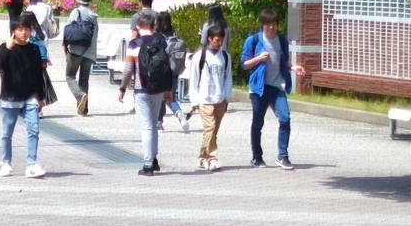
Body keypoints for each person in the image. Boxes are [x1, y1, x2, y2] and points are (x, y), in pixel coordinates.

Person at [242, 9, 303, 170]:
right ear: (262, 24)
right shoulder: (253, 40)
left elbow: (283, 62)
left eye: (274, 24)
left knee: (285, 118)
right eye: (268, 24)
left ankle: (283, 156)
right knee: (257, 123)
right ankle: (257, 157)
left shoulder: (281, 41)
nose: (271, 27)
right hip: (259, 88)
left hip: (277, 87)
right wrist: (258, 58)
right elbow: (244, 64)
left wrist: (293, 67)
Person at [0, 13, 47, 179]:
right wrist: (8, 48)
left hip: (30, 95)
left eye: (26, 29)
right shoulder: (6, 47)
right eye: (20, 29)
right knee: (7, 133)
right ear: (13, 31)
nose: (24, 32)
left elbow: (39, 75)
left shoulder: (34, 49)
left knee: (34, 129)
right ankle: (6, 163)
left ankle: (31, 164)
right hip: (10, 96)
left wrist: (41, 97)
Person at [124, 12, 176, 176]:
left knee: (146, 126)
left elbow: (128, 70)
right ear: (153, 27)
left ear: (138, 27)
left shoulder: (134, 44)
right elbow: (168, 66)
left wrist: (122, 88)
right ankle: (154, 159)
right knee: (153, 123)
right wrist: (168, 89)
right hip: (159, 89)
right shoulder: (161, 41)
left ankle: (148, 165)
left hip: (142, 89)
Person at [185, 24, 233, 172]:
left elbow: (228, 78)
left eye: (221, 40)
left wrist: (226, 97)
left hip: (220, 99)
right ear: (209, 39)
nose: (219, 43)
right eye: (217, 40)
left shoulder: (225, 56)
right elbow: (194, 79)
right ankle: (212, 159)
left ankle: (202, 158)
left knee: (211, 132)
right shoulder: (200, 56)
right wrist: (194, 100)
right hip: (204, 99)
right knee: (210, 128)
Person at [59, 0, 101, 116]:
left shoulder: (76, 12)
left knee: (70, 76)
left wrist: (65, 45)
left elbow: (68, 30)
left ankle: (79, 95)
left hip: (76, 50)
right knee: (84, 79)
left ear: (79, 0)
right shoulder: (93, 16)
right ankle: (83, 110)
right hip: (89, 51)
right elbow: (96, 35)